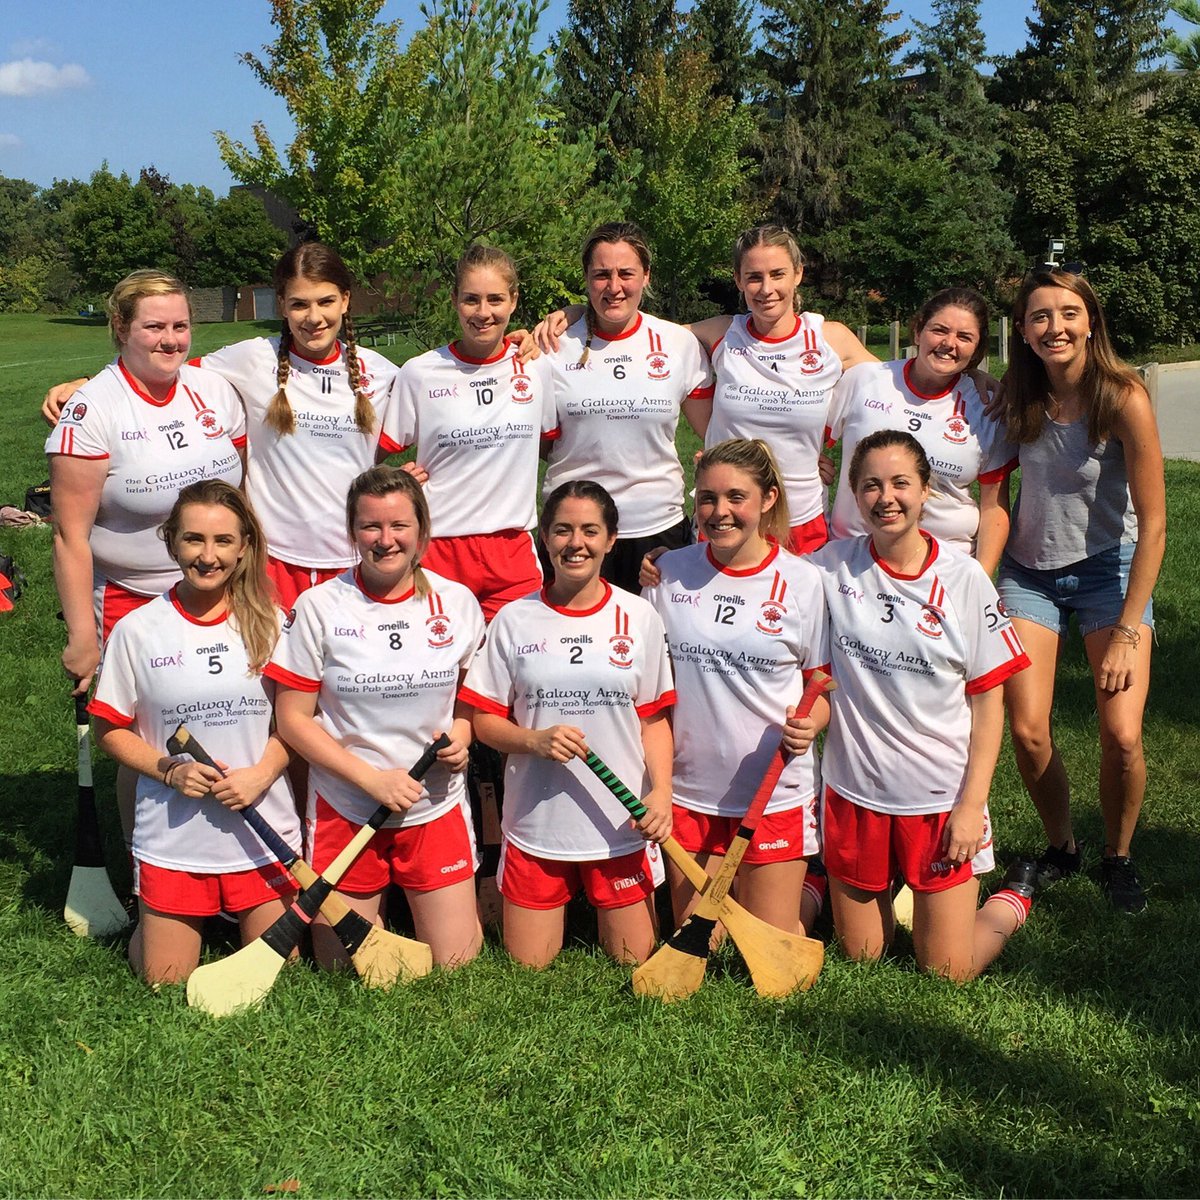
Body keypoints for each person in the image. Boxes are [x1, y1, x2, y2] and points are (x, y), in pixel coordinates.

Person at [43, 242, 405, 610]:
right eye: (299, 304)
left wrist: (409, 476)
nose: (313, 317)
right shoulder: (249, 358)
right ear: (281, 304)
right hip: (269, 562)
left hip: (356, 557)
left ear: (345, 300)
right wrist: (86, 384)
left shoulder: (384, 374)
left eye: (325, 301)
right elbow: (162, 368)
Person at [811, 430, 1034, 981]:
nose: (886, 498)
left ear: (926, 490)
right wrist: (667, 563)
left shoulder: (963, 580)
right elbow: (754, 571)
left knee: (947, 971)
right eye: (870, 486)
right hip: (855, 792)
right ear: (854, 495)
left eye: (900, 483)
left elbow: (989, 705)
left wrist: (970, 808)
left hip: (940, 800)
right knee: (862, 956)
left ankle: (1013, 898)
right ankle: (853, 885)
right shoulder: (827, 568)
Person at [46, 270, 247, 847]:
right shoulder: (91, 411)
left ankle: (230, 852)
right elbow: (69, 537)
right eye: (154, 326)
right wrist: (83, 635)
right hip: (134, 600)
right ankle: (146, 869)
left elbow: (242, 497)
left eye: (180, 325)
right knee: (146, 741)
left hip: (221, 591)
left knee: (229, 720)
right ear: (120, 328)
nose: (171, 339)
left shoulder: (212, 390)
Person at [539, 223, 876, 557]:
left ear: (798, 274)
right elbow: (637, 327)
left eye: (777, 274)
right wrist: (578, 314)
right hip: (723, 516)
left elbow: (887, 392)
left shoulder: (830, 339)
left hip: (799, 518)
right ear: (738, 280)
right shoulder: (722, 333)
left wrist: (842, 458)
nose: (766, 288)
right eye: (754, 276)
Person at [267, 467, 485, 967]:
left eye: (399, 526)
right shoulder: (320, 606)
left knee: (456, 962)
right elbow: (293, 719)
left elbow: (471, 696)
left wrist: (462, 733)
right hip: (348, 806)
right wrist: (371, 779)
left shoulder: (456, 603)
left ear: (422, 531)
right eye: (371, 527)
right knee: (340, 965)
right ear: (351, 532)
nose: (385, 541)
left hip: (434, 807)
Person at [998, 267, 1165, 913]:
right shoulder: (1016, 394)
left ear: (1090, 321)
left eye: (1068, 313)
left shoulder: (1123, 397)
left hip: (1108, 571)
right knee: (1029, 729)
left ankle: (1118, 856)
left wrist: (1127, 631)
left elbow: (1154, 527)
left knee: (1121, 735)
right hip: (1028, 573)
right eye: (1040, 316)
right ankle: (1062, 847)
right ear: (1023, 330)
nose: (1055, 327)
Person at [87, 481, 299, 985]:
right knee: (163, 979)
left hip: (261, 830)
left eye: (223, 541)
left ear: (245, 545)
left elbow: (296, 724)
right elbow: (109, 729)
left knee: (281, 977)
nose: (208, 556)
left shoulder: (272, 624)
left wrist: (261, 774)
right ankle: (163, 912)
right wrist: (168, 770)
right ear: (171, 542)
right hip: (175, 837)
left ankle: (230, 913)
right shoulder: (138, 629)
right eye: (193, 540)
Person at [461, 480, 676, 968]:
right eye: (562, 530)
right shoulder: (515, 620)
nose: (575, 543)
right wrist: (532, 740)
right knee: (529, 965)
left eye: (589, 531)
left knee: (634, 957)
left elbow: (655, 719)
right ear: (544, 537)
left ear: (611, 540)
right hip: (538, 824)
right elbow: (484, 722)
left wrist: (660, 791)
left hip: (621, 823)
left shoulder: (639, 616)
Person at [642, 439, 830, 935]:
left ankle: (810, 893)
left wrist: (810, 724)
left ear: (768, 499)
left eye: (735, 498)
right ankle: (798, 894)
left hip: (772, 791)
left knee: (767, 945)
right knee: (700, 940)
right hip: (689, 791)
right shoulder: (668, 574)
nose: (719, 512)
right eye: (707, 498)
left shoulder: (803, 581)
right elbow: (652, 695)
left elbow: (821, 688)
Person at [536, 222, 713, 592]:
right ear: (586, 278)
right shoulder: (551, 346)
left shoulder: (678, 343)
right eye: (601, 274)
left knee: (655, 646)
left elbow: (716, 433)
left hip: (655, 531)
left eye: (626, 273)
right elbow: (533, 442)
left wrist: (799, 458)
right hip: (575, 533)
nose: (614, 287)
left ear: (646, 276)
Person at [394, 244, 556, 621]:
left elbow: (552, 442)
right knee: (439, 673)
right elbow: (373, 454)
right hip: (439, 551)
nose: (484, 313)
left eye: (495, 299)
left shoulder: (536, 368)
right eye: (471, 299)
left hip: (511, 552)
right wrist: (391, 482)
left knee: (515, 672)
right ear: (454, 300)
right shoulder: (419, 373)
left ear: (514, 301)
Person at [826, 288, 1015, 574]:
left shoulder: (987, 408)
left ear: (977, 349)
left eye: (964, 337)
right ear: (917, 331)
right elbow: (805, 442)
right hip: (852, 560)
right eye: (939, 330)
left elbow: (994, 508)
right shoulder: (863, 381)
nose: (949, 344)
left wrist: (980, 577)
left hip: (944, 565)